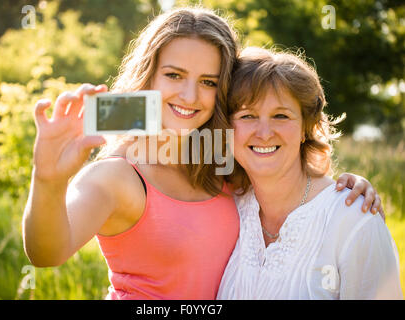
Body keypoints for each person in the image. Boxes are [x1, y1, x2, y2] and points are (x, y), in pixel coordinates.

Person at [23, 7, 383, 300]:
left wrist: (348, 187)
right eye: (174, 75)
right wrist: (48, 180)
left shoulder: (221, 164)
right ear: (149, 77)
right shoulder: (117, 175)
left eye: (208, 82)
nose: (191, 95)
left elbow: (286, 174)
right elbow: (47, 252)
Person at [217, 47, 402, 300]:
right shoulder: (226, 206)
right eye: (247, 115)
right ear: (228, 128)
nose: (264, 132)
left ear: (306, 128)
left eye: (281, 115)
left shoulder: (354, 220)